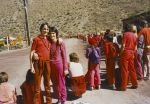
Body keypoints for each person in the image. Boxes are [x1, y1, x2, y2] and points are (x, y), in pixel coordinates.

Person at [30, 22, 51, 104]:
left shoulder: (49, 39)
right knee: (37, 85)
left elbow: (56, 38)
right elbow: (32, 52)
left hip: (47, 63)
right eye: (44, 29)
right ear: (41, 30)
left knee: (47, 84)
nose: (45, 30)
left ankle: (49, 102)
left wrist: (60, 39)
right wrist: (31, 66)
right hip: (38, 64)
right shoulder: (36, 39)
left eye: (47, 29)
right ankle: (37, 102)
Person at [48, 26, 68, 104]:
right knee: (55, 84)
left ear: (56, 34)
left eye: (53, 33)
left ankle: (63, 99)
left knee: (61, 83)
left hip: (59, 66)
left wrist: (65, 68)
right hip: (51, 66)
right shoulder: (48, 42)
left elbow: (64, 56)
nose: (52, 35)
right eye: (50, 33)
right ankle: (59, 98)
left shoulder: (60, 42)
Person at [119, 24, 138, 91]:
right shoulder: (134, 35)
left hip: (126, 53)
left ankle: (124, 86)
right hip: (132, 52)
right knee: (132, 69)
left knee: (124, 70)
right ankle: (135, 83)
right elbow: (135, 47)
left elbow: (123, 45)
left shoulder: (125, 34)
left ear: (126, 28)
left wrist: (120, 53)